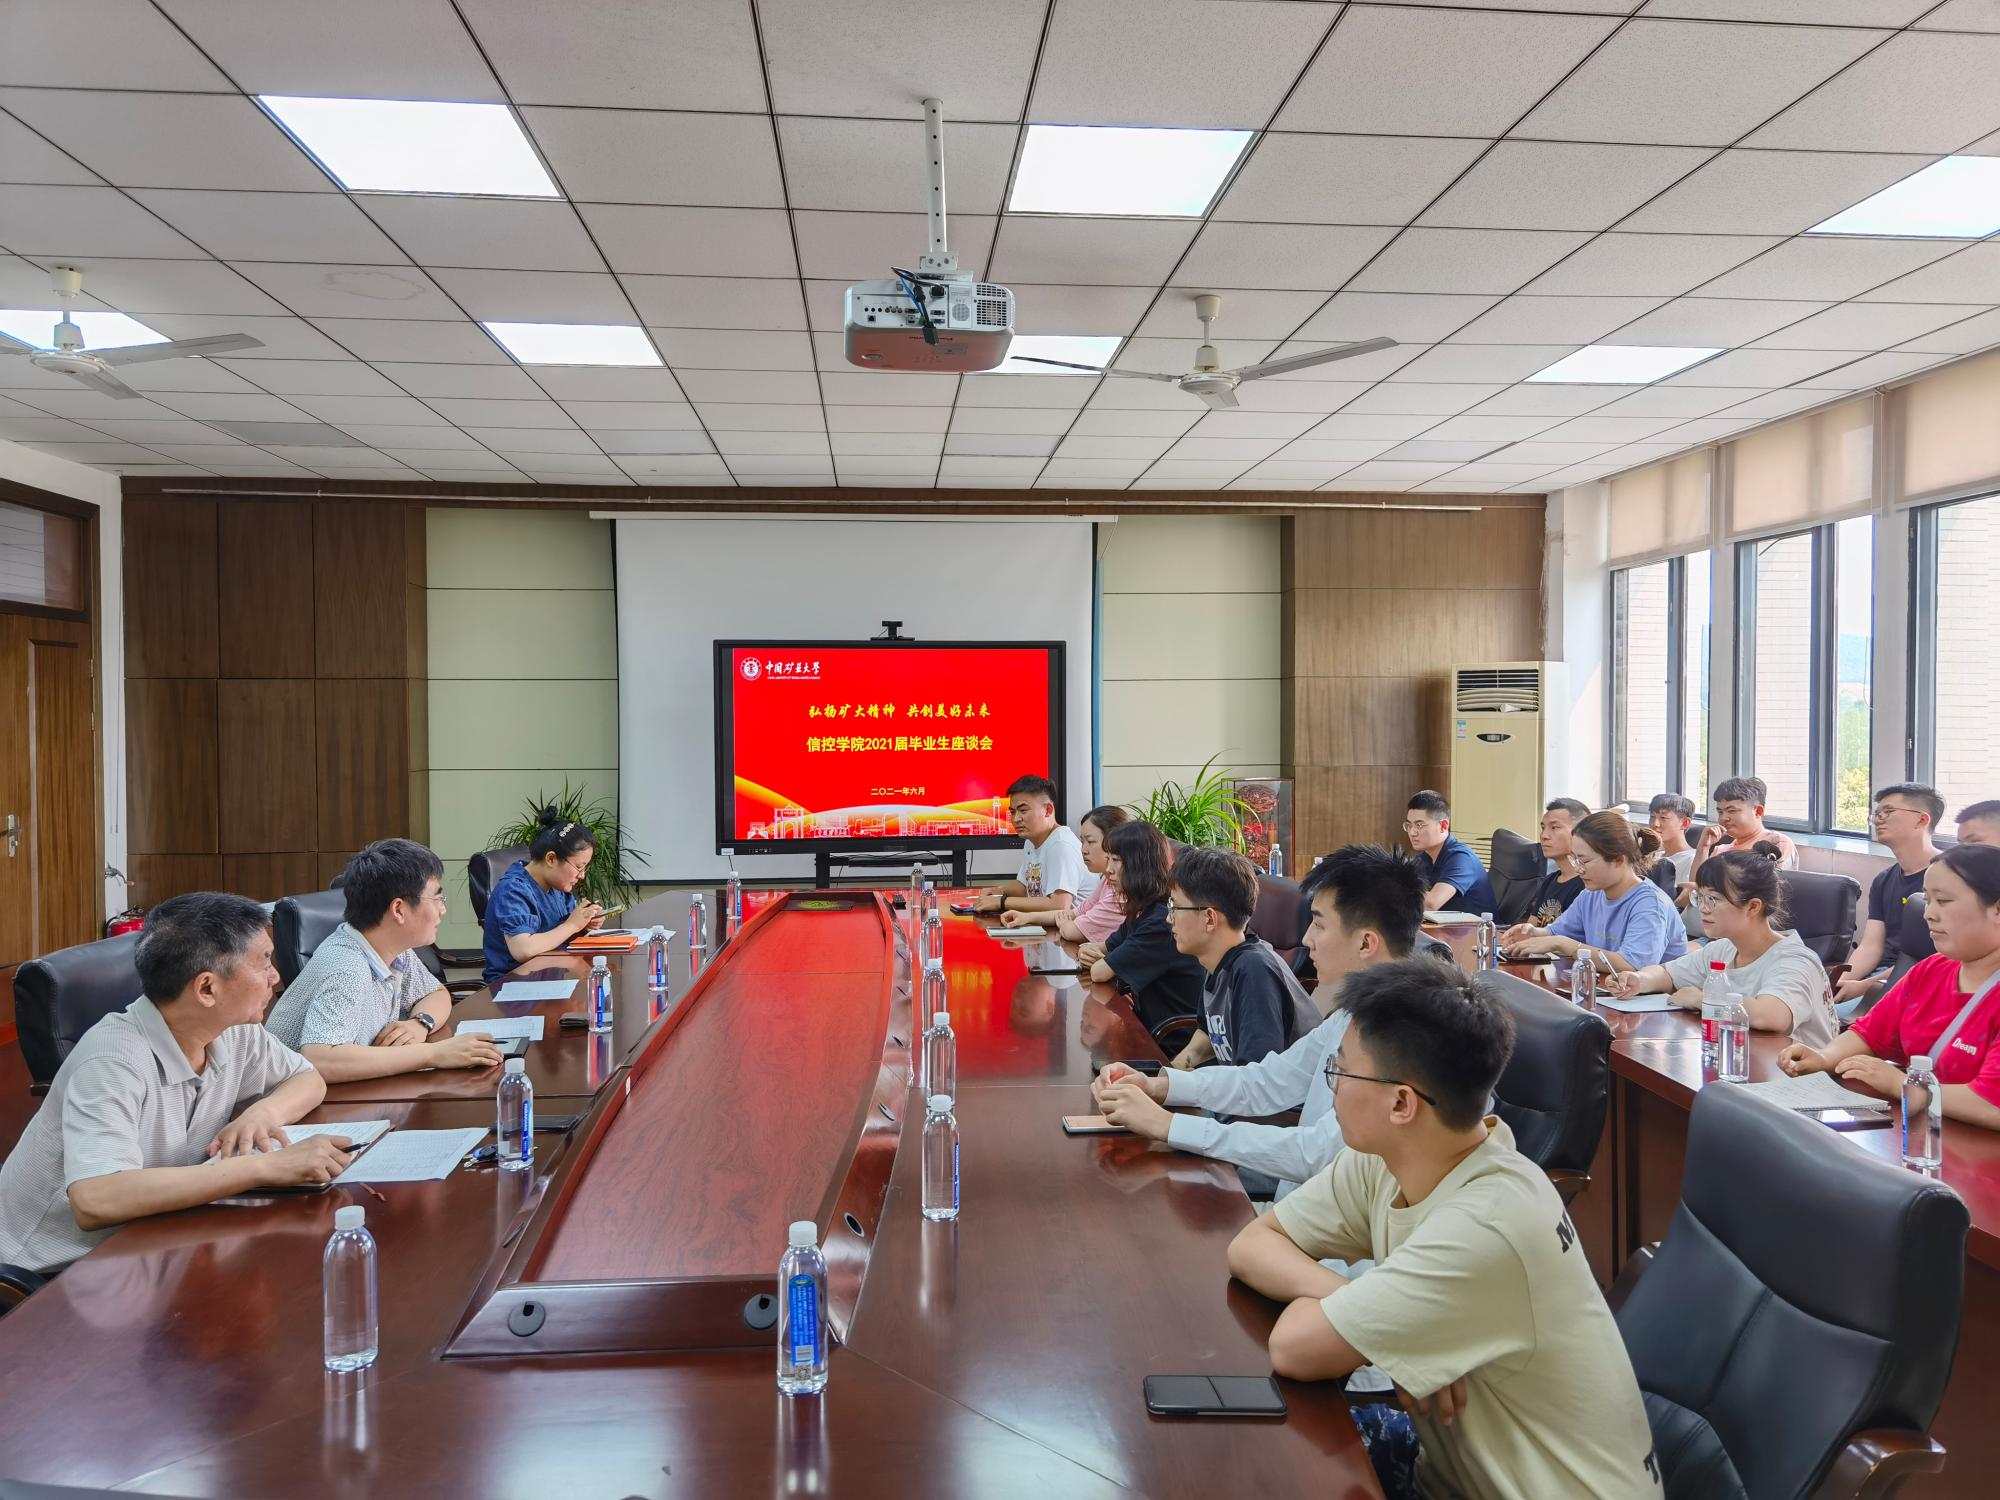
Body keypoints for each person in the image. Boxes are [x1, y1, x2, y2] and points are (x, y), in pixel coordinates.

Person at [1226, 959, 1662, 1500]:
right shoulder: (1391, 1157)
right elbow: (1253, 1245)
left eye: (1340, 1070)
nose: (1330, 1085)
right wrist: (1379, 1323)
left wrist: (1370, 1325)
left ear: (1401, 1102)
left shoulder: (1487, 1225)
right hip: (1452, 1477)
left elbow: (1294, 1347)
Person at [0, 893, 353, 1276]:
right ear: (207, 989)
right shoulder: (112, 1059)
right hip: (54, 1272)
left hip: (155, 1238)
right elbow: (95, 1199)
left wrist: (262, 1115)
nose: (275, 977)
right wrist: (264, 1167)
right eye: (264, 962)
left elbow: (306, 1079)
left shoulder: (233, 1029)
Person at [1092, 844, 1425, 1196]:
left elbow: (1314, 1153)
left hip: (1313, 1215)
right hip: (1294, 1203)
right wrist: (1160, 1085)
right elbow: (1267, 1080)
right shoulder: (1350, 1015)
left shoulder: (1403, 1040)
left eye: (1318, 924)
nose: (1306, 939)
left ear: (1366, 943)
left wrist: (1169, 1126)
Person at [1781, 844, 2000, 1129]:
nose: (1929, 914)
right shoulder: (1931, 970)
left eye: (1944, 901)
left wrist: (1906, 1086)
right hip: (1924, 1134)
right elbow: (1871, 1033)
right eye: (1927, 900)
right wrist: (1825, 1057)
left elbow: (1991, 1105)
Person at [265, 839, 503, 1083]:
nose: (442, 910)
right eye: (437, 899)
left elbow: (436, 993)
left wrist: (420, 1023)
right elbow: (320, 1059)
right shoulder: (346, 967)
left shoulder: (393, 948)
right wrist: (433, 1054)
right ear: (398, 910)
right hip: (289, 1099)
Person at [1605, 845, 1837, 1048]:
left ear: (1753, 907)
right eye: (1699, 897)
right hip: (1744, 1060)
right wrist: (1639, 980)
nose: (1703, 908)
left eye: (1713, 899)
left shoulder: (1794, 960)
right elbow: (1668, 974)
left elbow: (1772, 1015)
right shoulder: (1724, 949)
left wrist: (1701, 999)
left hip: (1800, 1077)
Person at [1145, 847, 1318, 1072]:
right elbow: (1209, 1032)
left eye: (1174, 907)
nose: (1169, 919)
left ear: (1209, 918)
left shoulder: (1254, 970)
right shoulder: (1216, 957)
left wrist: (1186, 1085)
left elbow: (1255, 1079)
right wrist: (1179, 1065)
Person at [1498, 811, 1680, 973]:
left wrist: (1563, 944)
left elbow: (1632, 965)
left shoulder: (1650, 905)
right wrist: (1533, 933)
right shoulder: (1591, 894)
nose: (1578, 869)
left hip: (1650, 998)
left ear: (1618, 860)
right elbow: (1556, 931)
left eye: (1583, 861)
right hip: (1608, 989)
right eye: (1574, 860)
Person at [1079, 821, 1205, 1038]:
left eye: (1116, 860)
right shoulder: (1141, 908)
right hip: (1145, 1025)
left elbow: (1099, 972)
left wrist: (1105, 961)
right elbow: (1102, 948)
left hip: (1169, 1040)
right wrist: (1102, 958)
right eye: (1109, 860)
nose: (1108, 870)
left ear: (1139, 864)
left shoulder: (1160, 921)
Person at [1833, 784, 1943, 1009]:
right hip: (1879, 976)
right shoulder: (1883, 880)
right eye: (1877, 813)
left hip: (1919, 982)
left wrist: (1865, 987)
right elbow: (1871, 946)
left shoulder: (1949, 877)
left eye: (1889, 811)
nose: (1878, 819)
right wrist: (1841, 981)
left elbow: (1934, 958)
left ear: (1922, 820)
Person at [481, 806, 607, 985]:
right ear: (551, 859)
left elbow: (559, 932)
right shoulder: (513, 890)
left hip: (548, 977)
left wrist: (583, 924)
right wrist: (572, 925)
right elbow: (523, 950)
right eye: (579, 867)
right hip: (513, 985)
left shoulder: (557, 886)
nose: (582, 876)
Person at [1002, 804, 1126, 943]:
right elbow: (1074, 913)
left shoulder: (1122, 893)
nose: (1083, 850)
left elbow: (1072, 931)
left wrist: (1065, 924)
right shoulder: (1107, 882)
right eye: (1082, 841)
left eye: (1090, 841)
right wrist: (1027, 917)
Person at [972, 775, 1088, 920]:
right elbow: (1024, 887)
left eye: (1023, 810)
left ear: (1048, 810)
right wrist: (997, 891)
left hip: (1073, 931)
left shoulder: (1061, 845)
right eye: (1013, 812)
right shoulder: (1031, 841)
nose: (1016, 819)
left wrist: (1001, 902)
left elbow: (1059, 905)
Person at [1403, 790, 1495, 915]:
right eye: (1409, 825)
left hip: (1478, 927)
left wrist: (1391, 890)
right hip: (1442, 925)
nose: (1412, 832)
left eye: (1419, 825)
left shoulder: (1462, 858)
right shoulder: (1423, 859)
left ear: (1443, 826)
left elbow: (1432, 903)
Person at [1690, 776, 1798, 881]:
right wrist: (1703, 847)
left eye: (1731, 811)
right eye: (1720, 812)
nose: (1723, 818)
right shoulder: (1720, 850)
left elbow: (1776, 888)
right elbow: (1695, 888)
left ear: (1758, 811)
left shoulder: (1776, 843)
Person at [1524, 798, 1590, 925]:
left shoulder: (1588, 884)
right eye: (1543, 828)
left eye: (1554, 827)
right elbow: (1530, 927)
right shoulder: (1549, 881)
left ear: (1581, 833)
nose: (1544, 835)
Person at [1647, 793, 1698, 900]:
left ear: (1685, 823)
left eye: (1663, 818)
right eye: (1652, 816)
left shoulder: (1692, 860)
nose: (1655, 824)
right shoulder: (1655, 856)